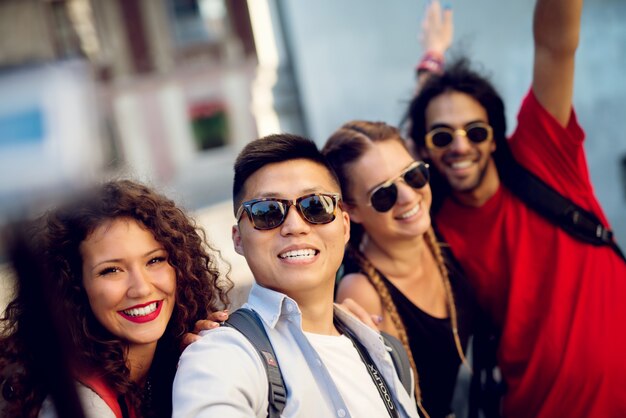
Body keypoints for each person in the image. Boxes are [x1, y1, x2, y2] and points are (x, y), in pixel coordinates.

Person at [407, 0, 626, 416]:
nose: (459, 146)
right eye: (441, 137)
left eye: (474, 131)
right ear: (426, 150)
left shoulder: (545, 155)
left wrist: (432, 64)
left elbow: (555, 45)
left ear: (494, 137)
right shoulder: (432, 222)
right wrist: (430, 60)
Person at [172, 134, 420, 418]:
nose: (295, 226)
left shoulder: (386, 353)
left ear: (345, 226)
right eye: (267, 212)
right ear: (238, 239)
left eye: (316, 205)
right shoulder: (220, 356)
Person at [0, 180, 231, 418]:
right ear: (75, 286)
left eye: (155, 260)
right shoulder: (81, 403)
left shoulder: (174, 361)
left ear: (181, 266)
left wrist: (197, 367)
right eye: (111, 270)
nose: (141, 288)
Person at [322, 120, 478, 418]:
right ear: (351, 211)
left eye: (413, 175)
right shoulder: (361, 293)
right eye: (384, 194)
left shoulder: (440, 235)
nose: (409, 196)